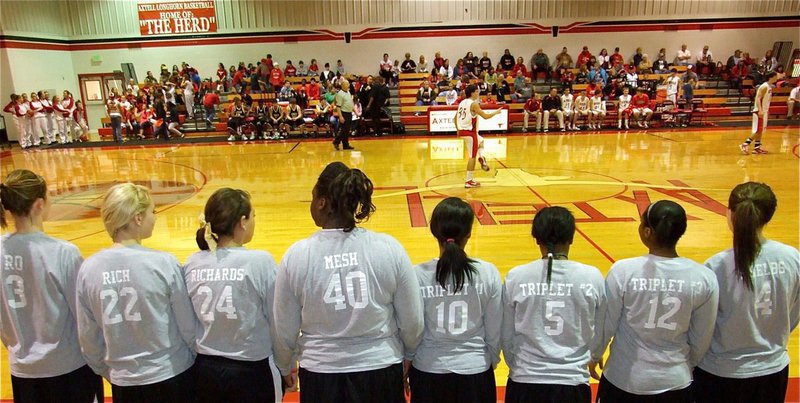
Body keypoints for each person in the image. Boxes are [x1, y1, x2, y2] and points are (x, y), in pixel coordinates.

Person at [273, 162, 424, 403]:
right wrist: (410, 353)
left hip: (321, 374)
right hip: (380, 369)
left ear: (322, 202)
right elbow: (413, 320)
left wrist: (285, 366)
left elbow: (284, 330)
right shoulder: (388, 248)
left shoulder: (297, 255)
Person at [75, 183, 197, 403]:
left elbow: (88, 339)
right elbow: (188, 328)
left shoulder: (88, 269)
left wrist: (109, 371)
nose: (155, 217)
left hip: (124, 383)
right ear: (138, 218)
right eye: (152, 211)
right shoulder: (163, 263)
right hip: (171, 374)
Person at [594, 200, 719, 403]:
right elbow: (701, 338)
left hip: (624, 379)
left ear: (647, 232)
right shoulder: (703, 277)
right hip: (675, 380)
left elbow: (606, 325)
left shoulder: (624, 270)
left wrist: (594, 354)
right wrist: (683, 365)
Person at [0, 169, 104, 403]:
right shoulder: (62, 252)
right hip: (68, 367)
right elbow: (84, 317)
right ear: (39, 204)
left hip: (23, 369)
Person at [694, 182, 800, 403]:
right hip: (772, 370)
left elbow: (703, 326)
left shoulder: (716, 265)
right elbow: (794, 312)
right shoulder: (792, 257)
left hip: (721, 372)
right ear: (769, 216)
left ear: (730, 214)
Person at [183, 188, 281, 403]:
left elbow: (187, 324)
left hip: (205, 370)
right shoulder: (261, 262)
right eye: (253, 216)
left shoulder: (192, 263)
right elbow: (277, 321)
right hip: (252, 369)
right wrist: (287, 365)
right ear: (243, 221)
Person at [502, 207, 606, 403]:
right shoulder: (592, 277)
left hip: (525, 380)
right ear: (572, 238)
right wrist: (592, 357)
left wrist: (517, 365)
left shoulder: (516, 276)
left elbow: (505, 335)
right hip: (572, 382)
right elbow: (598, 332)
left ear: (537, 239)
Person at [406, 197, 502, 403]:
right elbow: (495, 329)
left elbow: (411, 328)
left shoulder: (417, 275)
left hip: (428, 372)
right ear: (468, 233)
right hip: (475, 372)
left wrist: (408, 361)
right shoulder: (488, 273)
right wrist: (488, 361)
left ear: (434, 231)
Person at [455, 85, 502, 188]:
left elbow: (455, 117)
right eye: (476, 91)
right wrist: (496, 112)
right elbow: (485, 116)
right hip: (470, 133)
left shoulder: (462, 102)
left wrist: (458, 129)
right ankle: (469, 180)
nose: (478, 93)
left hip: (464, 131)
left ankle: (482, 158)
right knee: (472, 156)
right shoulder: (474, 104)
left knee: (481, 141)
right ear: (472, 93)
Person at [741, 71, 778, 155]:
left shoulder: (769, 86)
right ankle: (745, 144)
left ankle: (757, 147)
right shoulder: (764, 86)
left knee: (761, 131)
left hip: (764, 111)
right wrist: (760, 110)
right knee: (758, 130)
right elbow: (758, 98)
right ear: (771, 77)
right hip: (759, 111)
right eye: (776, 76)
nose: (777, 78)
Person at [332, 79, 355, 150]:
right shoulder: (340, 94)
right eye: (347, 84)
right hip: (344, 113)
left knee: (347, 130)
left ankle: (345, 145)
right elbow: (338, 107)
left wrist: (355, 111)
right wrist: (340, 116)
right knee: (344, 130)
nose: (349, 85)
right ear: (343, 85)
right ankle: (336, 141)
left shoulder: (348, 92)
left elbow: (350, 103)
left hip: (349, 113)